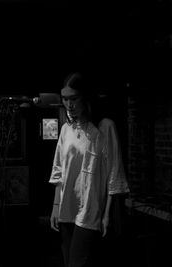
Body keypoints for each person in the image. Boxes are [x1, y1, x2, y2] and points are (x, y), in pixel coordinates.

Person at [49, 71, 130, 267]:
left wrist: (107, 215)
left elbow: (114, 174)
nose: (69, 104)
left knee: (78, 261)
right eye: (65, 99)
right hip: (66, 207)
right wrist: (55, 207)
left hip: (90, 210)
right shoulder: (66, 129)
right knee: (68, 260)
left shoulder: (104, 128)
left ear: (85, 97)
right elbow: (58, 169)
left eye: (74, 98)